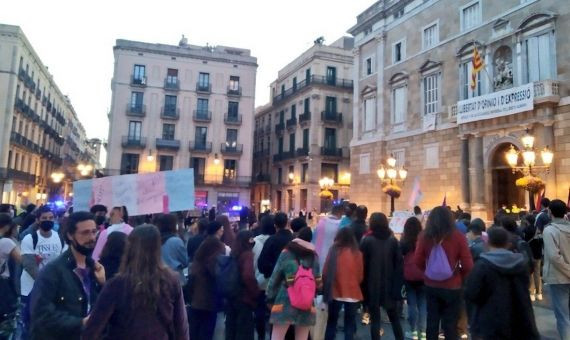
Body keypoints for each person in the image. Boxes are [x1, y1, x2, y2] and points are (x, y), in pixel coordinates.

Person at [83, 224, 189, 340]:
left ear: (129, 248)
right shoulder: (171, 280)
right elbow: (181, 325)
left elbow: (93, 327)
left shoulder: (117, 284)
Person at [29, 211, 105, 340]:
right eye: (85, 233)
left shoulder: (96, 269)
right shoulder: (53, 271)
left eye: (94, 232)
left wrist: (103, 284)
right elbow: (41, 315)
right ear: (70, 235)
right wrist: (81, 323)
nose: (92, 238)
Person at [465, 226, 539, 340]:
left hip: (489, 322)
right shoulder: (520, 264)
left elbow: (472, 293)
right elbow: (526, 286)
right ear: (507, 243)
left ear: (487, 242)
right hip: (519, 319)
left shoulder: (482, 265)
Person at [414, 206, 473, 340]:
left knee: (432, 321)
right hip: (453, 286)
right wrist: (458, 276)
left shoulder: (424, 236)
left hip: (431, 285)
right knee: (450, 324)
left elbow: (417, 260)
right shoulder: (458, 237)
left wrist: (428, 272)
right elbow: (468, 264)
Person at [267, 227, 321, 340]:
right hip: (306, 301)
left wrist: (270, 297)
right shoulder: (313, 256)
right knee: (302, 337)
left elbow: (275, 276)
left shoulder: (287, 252)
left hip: (285, 299)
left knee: (277, 337)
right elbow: (318, 281)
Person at [19, 206, 65, 338]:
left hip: (52, 289)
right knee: (29, 324)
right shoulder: (30, 238)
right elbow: (29, 265)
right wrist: (46, 282)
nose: (48, 220)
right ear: (38, 220)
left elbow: (62, 262)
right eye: (44, 218)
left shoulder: (59, 238)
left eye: (51, 218)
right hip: (30, 288)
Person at [360, 212, 404, 340]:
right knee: (394, 318)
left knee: (375, 319)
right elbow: (399, 265)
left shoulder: (367, 241)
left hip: (371, 285)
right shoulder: (393, 241)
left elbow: (362, 265)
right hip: (390, 285)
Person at [323, 227, 363, 340]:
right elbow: (360, 275)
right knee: (349, 324)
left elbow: (326, 271)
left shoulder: (333, 250)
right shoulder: (357, 253)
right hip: (353, 292)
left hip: (335, 291)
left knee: (331, 322)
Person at [188, 221, 226, 339]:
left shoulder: (204, 243)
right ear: (218, 230)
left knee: (196, 328)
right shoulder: (218, 246)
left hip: (196, 293)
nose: (223, 231)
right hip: (209, 293)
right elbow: (215, 269)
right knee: (207, 329)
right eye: (221, 229)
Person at [542, 199, 570, 340]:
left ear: (550, 212)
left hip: (559, 277)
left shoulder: (549, 230)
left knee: (563, 316)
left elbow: (554, 256)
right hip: (563, 275)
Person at [226, 230, 260, 340]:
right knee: (244, 331)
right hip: (244, 298)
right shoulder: (247, 255)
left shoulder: (234, 253)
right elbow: (248, 275)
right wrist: (255, 291)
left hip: (232, 295)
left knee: (232, 329)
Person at [400, 217, 426, 340]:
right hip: (423, 273)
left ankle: (413, 331)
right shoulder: (424, 239)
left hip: (409, 274)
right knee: (422, 303)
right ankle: (423, 331)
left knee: (411, 304)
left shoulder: (405, 241)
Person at [252, 215, 276, 340]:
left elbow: (252, 262)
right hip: (273, 281)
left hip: (258, 280)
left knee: (259, 309)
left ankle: (261, 335)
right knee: (273, 311)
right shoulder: (275, 241)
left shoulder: (255, 241)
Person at [0, 214, 21, 340]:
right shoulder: (6, 242)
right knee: (5, 321)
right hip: (3, 287)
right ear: (8, 226)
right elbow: (22, 260)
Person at [155, 213, 188, 285]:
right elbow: (185, 261)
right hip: (176, 279)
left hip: (158, 280)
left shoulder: (155, 240)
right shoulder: (176, 241)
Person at [258, 212, 293, 279]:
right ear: (287, 223)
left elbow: (261, 264)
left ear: (275, 225)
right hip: (291, 278)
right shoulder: (294, 239)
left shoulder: (270, 240)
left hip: (273, 278)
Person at [313, 203, 343, 270]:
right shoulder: (340, 224)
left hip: (318, 256)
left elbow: (314, 238)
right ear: (339, 213)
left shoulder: (321, 222)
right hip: (331, 257)